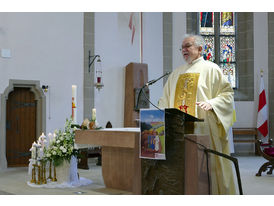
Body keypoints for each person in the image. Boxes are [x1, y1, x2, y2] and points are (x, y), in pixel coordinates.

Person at [158, 34, 236, 195]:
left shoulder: (212, 69)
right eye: (182, 48)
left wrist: (213, 103)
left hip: (204, 128)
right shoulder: (176, 73)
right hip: (178, 131)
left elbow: (227, 94)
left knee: (206, 167)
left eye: (188, 46)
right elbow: (164, 100)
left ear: (200, 49)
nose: (184, 50)